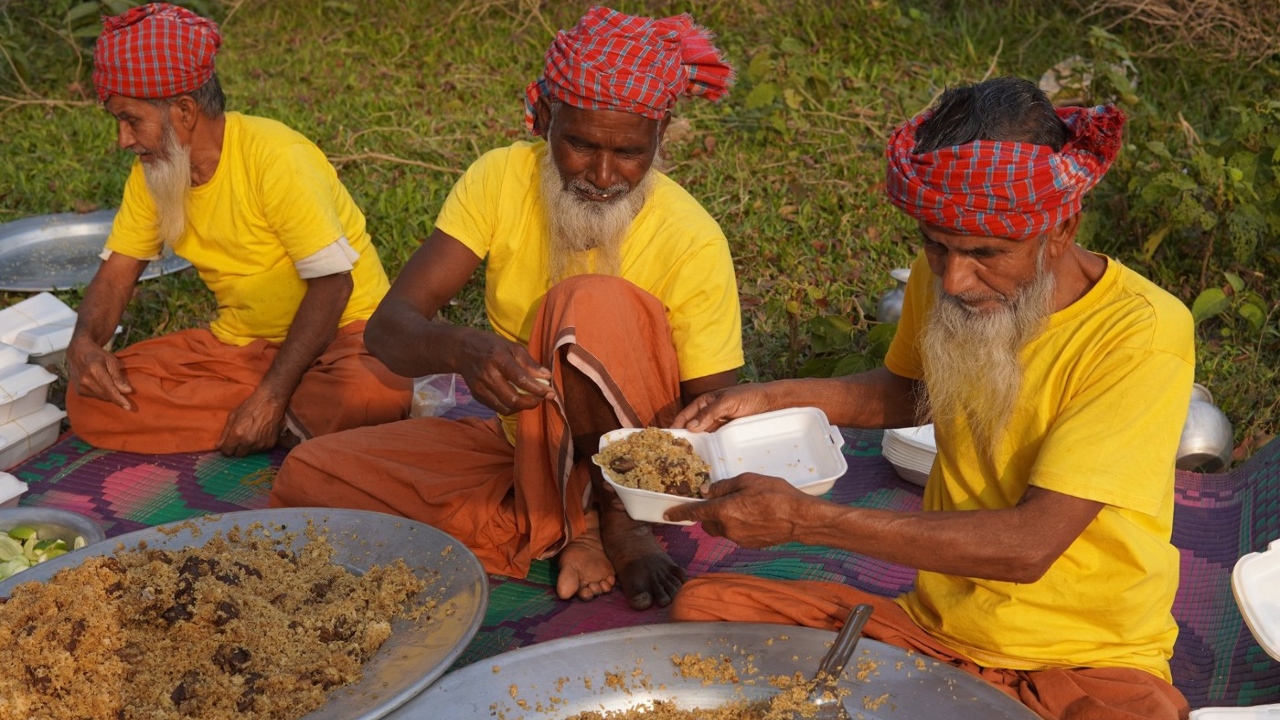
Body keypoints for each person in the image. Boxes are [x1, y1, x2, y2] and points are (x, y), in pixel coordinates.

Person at [665, 77, 1194, 720]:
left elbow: (1029, 548)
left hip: (1085, 660)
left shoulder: (1141, 332)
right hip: (932, 632)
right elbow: (914, 394)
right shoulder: (947, 272)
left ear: (1061, 227)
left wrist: (807, 521)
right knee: (705, 612)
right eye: (934, 246)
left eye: (985, 254)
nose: (955, 279)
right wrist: (773, 396)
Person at [268, 6, 743, 611]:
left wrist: (631, 491)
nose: (602, 175)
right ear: (546, 118)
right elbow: (389, 329)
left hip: (634, 475)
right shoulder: (499, 178)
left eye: (628, 152)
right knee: (311, 472)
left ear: (661, 132)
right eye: (579, 144)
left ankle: (612, 524)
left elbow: (710, 417)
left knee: (588, 300)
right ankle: (563, 528)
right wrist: (464, 350)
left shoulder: (692, 237)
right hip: (521, 449)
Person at [66, 3, 410, 456]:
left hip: (344, 337)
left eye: (132, 120)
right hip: (246, 348)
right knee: (91, 397)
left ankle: (273, 412)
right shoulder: (153, 174)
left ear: (184, 111)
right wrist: (83, 345)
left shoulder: (277, 157)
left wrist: (269, 395)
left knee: (370, 392)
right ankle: (287, 424)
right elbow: (116, 274)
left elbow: (333, 286)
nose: (124, 141)